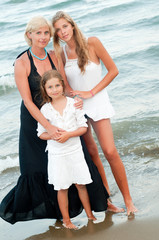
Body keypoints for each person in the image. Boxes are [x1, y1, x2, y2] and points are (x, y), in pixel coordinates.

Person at [0, 16, 116, 225]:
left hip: (62, 115)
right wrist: (48, 126)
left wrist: (77, 100)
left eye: (47, 33)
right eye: (39, 33)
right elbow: (27, 101)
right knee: (39, 168)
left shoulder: (54, 55)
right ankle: (58, 215)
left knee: (81, 160)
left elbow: (65, 88)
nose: (43, 37)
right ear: (29, 35)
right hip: (35, 120)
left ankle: (102, 203)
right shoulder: (22, 62)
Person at [52, 11, 137, 216]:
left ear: (72, 25)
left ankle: (128, 200)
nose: (62, 32)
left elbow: (113, 70)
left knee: (109, 151)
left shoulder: (92, 42)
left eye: (64, 26)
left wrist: (91, 92)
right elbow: (65, 83)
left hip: (97, 101)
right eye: (58, 30)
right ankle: (107, 198)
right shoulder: (61, 53)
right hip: (78, 106)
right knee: (92, 154)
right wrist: (71, 99)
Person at [37, 69, 97, 229]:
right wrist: (54, 135)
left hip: (74, 151)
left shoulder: (73, 104)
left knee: (81, 184)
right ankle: (67, 220)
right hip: (57, 155)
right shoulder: (45, 110)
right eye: (50, 87)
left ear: (63, 86)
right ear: (45, 90)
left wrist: (68, 135)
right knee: (62, 187)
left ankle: (90, 215)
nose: (55, 89)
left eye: (57, 85)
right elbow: (41, 134)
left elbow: (83, 127)